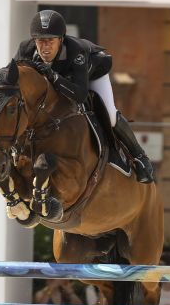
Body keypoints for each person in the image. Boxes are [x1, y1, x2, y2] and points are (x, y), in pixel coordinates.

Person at [14, 9, 154, 183]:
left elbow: (80, 95)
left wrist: (53, 77)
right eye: (40, 41)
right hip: (63, 76)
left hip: (93, 71)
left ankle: (140, 158)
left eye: (50, 40)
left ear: (61, 39)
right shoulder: (25, 50)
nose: (45, 47)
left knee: (109, 115)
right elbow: (12, 79)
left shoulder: (76, 52)